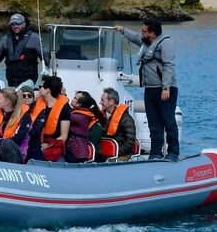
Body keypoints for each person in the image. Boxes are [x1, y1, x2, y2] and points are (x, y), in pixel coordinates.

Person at [115, 19, 179, 161]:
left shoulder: (165, 44)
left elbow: (169, 66)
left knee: (168, 121)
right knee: (154, 123)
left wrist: (166, 87)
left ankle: (173, 151)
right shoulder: (145, 42)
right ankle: (156, 152)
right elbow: (134, 37)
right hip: (150, 89)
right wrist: (123, 30)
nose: (141, 33)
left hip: (165, 90)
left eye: (144, 31)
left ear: (152, 33)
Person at [0, 13, 48, 87]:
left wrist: (53, 69)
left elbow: (45, 55)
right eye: (13, 24)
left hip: (28, 79)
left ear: (24, 24)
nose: (16, 26)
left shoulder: (34, 38)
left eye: (18, 23)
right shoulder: (6, 40)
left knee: (20, 92)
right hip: (12, 81)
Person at [25, 75, 70, 162]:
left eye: (40, 87)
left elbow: (63, 136)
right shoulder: (37, 103)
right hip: (34, 145)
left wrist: (48, 144)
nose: (39, 89)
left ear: (47, 90)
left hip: (53, 148)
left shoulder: (64, 107)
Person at [0, 88, 32, 163]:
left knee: (7, 144)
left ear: (7, 102)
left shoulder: (25, 117)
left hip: (15, 155)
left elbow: (17, 139)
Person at [66, 91, 104, 163]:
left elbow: (64, 115)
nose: (72, 99)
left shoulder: (80, 117)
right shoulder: (77, 113)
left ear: (79, 104)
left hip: (78, 154)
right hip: (73, 152)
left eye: (75, 98)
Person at [99, 87, 137, 161]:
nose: (100, 102)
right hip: (105, 154)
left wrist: (116, 152)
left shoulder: (126, 119)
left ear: (111, 101)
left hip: (120, 155)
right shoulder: (104, 117)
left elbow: (130, 141)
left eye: (102, 100)